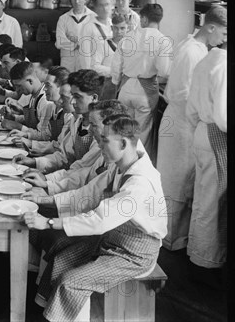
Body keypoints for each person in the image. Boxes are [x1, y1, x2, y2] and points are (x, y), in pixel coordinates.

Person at [23, 115, 167, 322]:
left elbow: (100, 220)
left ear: (124, 143)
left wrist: (48, 222)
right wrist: (44, 199)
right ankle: (48, 314)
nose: (99, 146)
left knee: (70, 281)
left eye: (104, 141)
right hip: (114, 239)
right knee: (62, 259)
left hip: (136, 253)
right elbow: (87, 194)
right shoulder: (121, 165)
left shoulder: (139, 183)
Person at [157, 5, 227, 252]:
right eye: (223, 33)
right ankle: (170, 238)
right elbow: (182, 93)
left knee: (183, 183)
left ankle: (176, 238)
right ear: (210, 26)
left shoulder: (195, 48)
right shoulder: (194, 52)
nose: (223, 39)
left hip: (184, 119)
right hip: (183, 122)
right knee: (178, 182)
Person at [21, 100, 130, 197]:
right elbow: (84, 175)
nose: (90, 130)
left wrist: (49, 186)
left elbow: (98, 209)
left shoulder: (134, 178)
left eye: (94, 125)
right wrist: (48, 183)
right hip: (71, 186)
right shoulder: (109, 146)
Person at [111, 3, 172, 164]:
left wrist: (116, 83)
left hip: (125, 89)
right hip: (145, 92)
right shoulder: (162, 40)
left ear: (143, 18)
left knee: (123, 131)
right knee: (142, 134)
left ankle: (120, 165)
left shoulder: (128, 37)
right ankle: (138, 167)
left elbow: (116, 67)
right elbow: (165, 71)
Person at [13, 69, 104, 174]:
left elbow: (82, 169)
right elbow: (64, 157)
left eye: (77, 97)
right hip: (69, 177)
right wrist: (34, 162)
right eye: (72, 96)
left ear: (94, 98)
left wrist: (48, 180)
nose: (72, 102)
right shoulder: (78, 121)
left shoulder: (100, 130)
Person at [186, 38, 227, 270]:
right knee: (213, 202)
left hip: (202, 131)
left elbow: (191, 108)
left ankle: (196, 252)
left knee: (202, 198)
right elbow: (224, 118)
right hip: (216, 136)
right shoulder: (223, 65)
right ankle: (207, 260)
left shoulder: (207, 60)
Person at [9, 66, 72, 147]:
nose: (44, 89)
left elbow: (59, 146)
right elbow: (45, 135)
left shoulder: (69, 114)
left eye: (48, 85)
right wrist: (26, 135)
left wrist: (30, 143)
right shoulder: (52, 107)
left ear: (61, 88)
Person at [0, 61, 54, 137]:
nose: (17, 90)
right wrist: (14, 117)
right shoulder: (33, 95)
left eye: (19, 86)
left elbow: (44, 135)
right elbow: (34, 121)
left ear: (30, 81)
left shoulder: (45, 101)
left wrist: (19, 127)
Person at [55, 0, 96, 72]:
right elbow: (59, 42)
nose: (77, 2)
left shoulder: (94, 18)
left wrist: (71, 40)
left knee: (84, 82)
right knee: (67, 83)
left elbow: (97, 41)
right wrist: (79, 44)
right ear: (70, 0)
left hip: (87, 61)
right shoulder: (63, 19)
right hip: (68, 61)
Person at [77, 0, 115, 73]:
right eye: (101, 5)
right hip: (95, 72)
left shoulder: (113, 25)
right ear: (95, 9)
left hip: (113, 72)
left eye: (107, 5)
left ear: (112, 6)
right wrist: (87, 74)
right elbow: (85, 55)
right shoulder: (88, 27)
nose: (104, 9)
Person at [98, 14, 128, 101]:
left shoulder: (131, 46)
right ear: (111, 28)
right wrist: (115, 72)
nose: (119, 32)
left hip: (125, 86)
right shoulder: (102, 44)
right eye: (116, 28)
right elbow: (94, 67)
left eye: (122, 28)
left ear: (127, 28)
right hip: (106, 84)